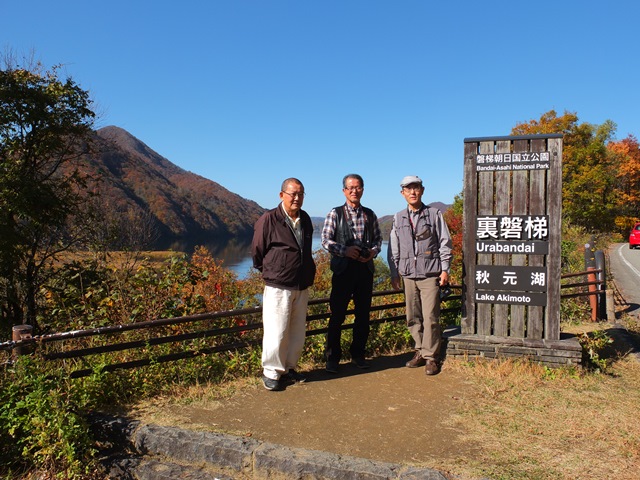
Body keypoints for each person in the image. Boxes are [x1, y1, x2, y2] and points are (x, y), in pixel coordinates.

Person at [252, 178, 316, 391]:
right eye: (292, 193)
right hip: (279, 285)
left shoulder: (305, 219)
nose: (297, 198)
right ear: (282, 195)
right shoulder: (269, 219)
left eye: (301, 194)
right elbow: (257, 252)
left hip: (301, 284)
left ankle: (289, 368)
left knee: (296, 331)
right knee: (276, 330)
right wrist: (274, 271)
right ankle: (271, 372)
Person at [387, 175, 452, 376]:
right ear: (402, 193)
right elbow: (393, 248)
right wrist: (394, 273)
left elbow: (445, 242)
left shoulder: (434, 214)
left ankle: (431, 357)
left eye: (416, 188)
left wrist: (445, 269)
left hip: (430, 272)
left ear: (422, 190)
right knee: (413, 317)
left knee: (431, 316)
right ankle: (420, 350)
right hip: (408, 274)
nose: (413, 192)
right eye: (408, 189)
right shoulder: (398, 217)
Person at [321, 174, 382, 373]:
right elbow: (325, 240)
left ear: (362, 189)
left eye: (358, 187)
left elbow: (378, 240)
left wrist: (372, 252)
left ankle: (358, 355)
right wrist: (345, 250)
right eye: (350, 188)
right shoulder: (335, 213)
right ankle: (332, 358)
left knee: (363, 315)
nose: (354, 191)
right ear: (344, 191)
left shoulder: (370, 214)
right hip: (343, 270)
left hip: (365, 270)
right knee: (337, 315)